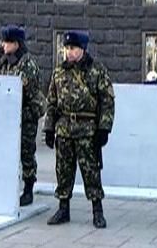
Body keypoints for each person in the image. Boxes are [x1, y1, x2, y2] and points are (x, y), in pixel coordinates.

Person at [43, 31, 115, 229]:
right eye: (66, 48)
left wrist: (104, 128)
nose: (69, 52)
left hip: (87, 130)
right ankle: (63, 208)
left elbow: (107, 101)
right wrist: (49, 128)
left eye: (72, 48)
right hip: (65, 129)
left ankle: (97, 211)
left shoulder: (96, 70)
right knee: (63, 171)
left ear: (82, 49)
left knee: (91, 171)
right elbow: (52, 102)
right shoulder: (59, 71)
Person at [0, 25, 46, 206]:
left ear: (16, 44)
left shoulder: (27, 64)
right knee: (9, 152)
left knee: (26, 152)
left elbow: (23, 90)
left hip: (26, 115)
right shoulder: (5, 62)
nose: (3, 45)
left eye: (7, 42)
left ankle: (28, 189)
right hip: (9, 117)